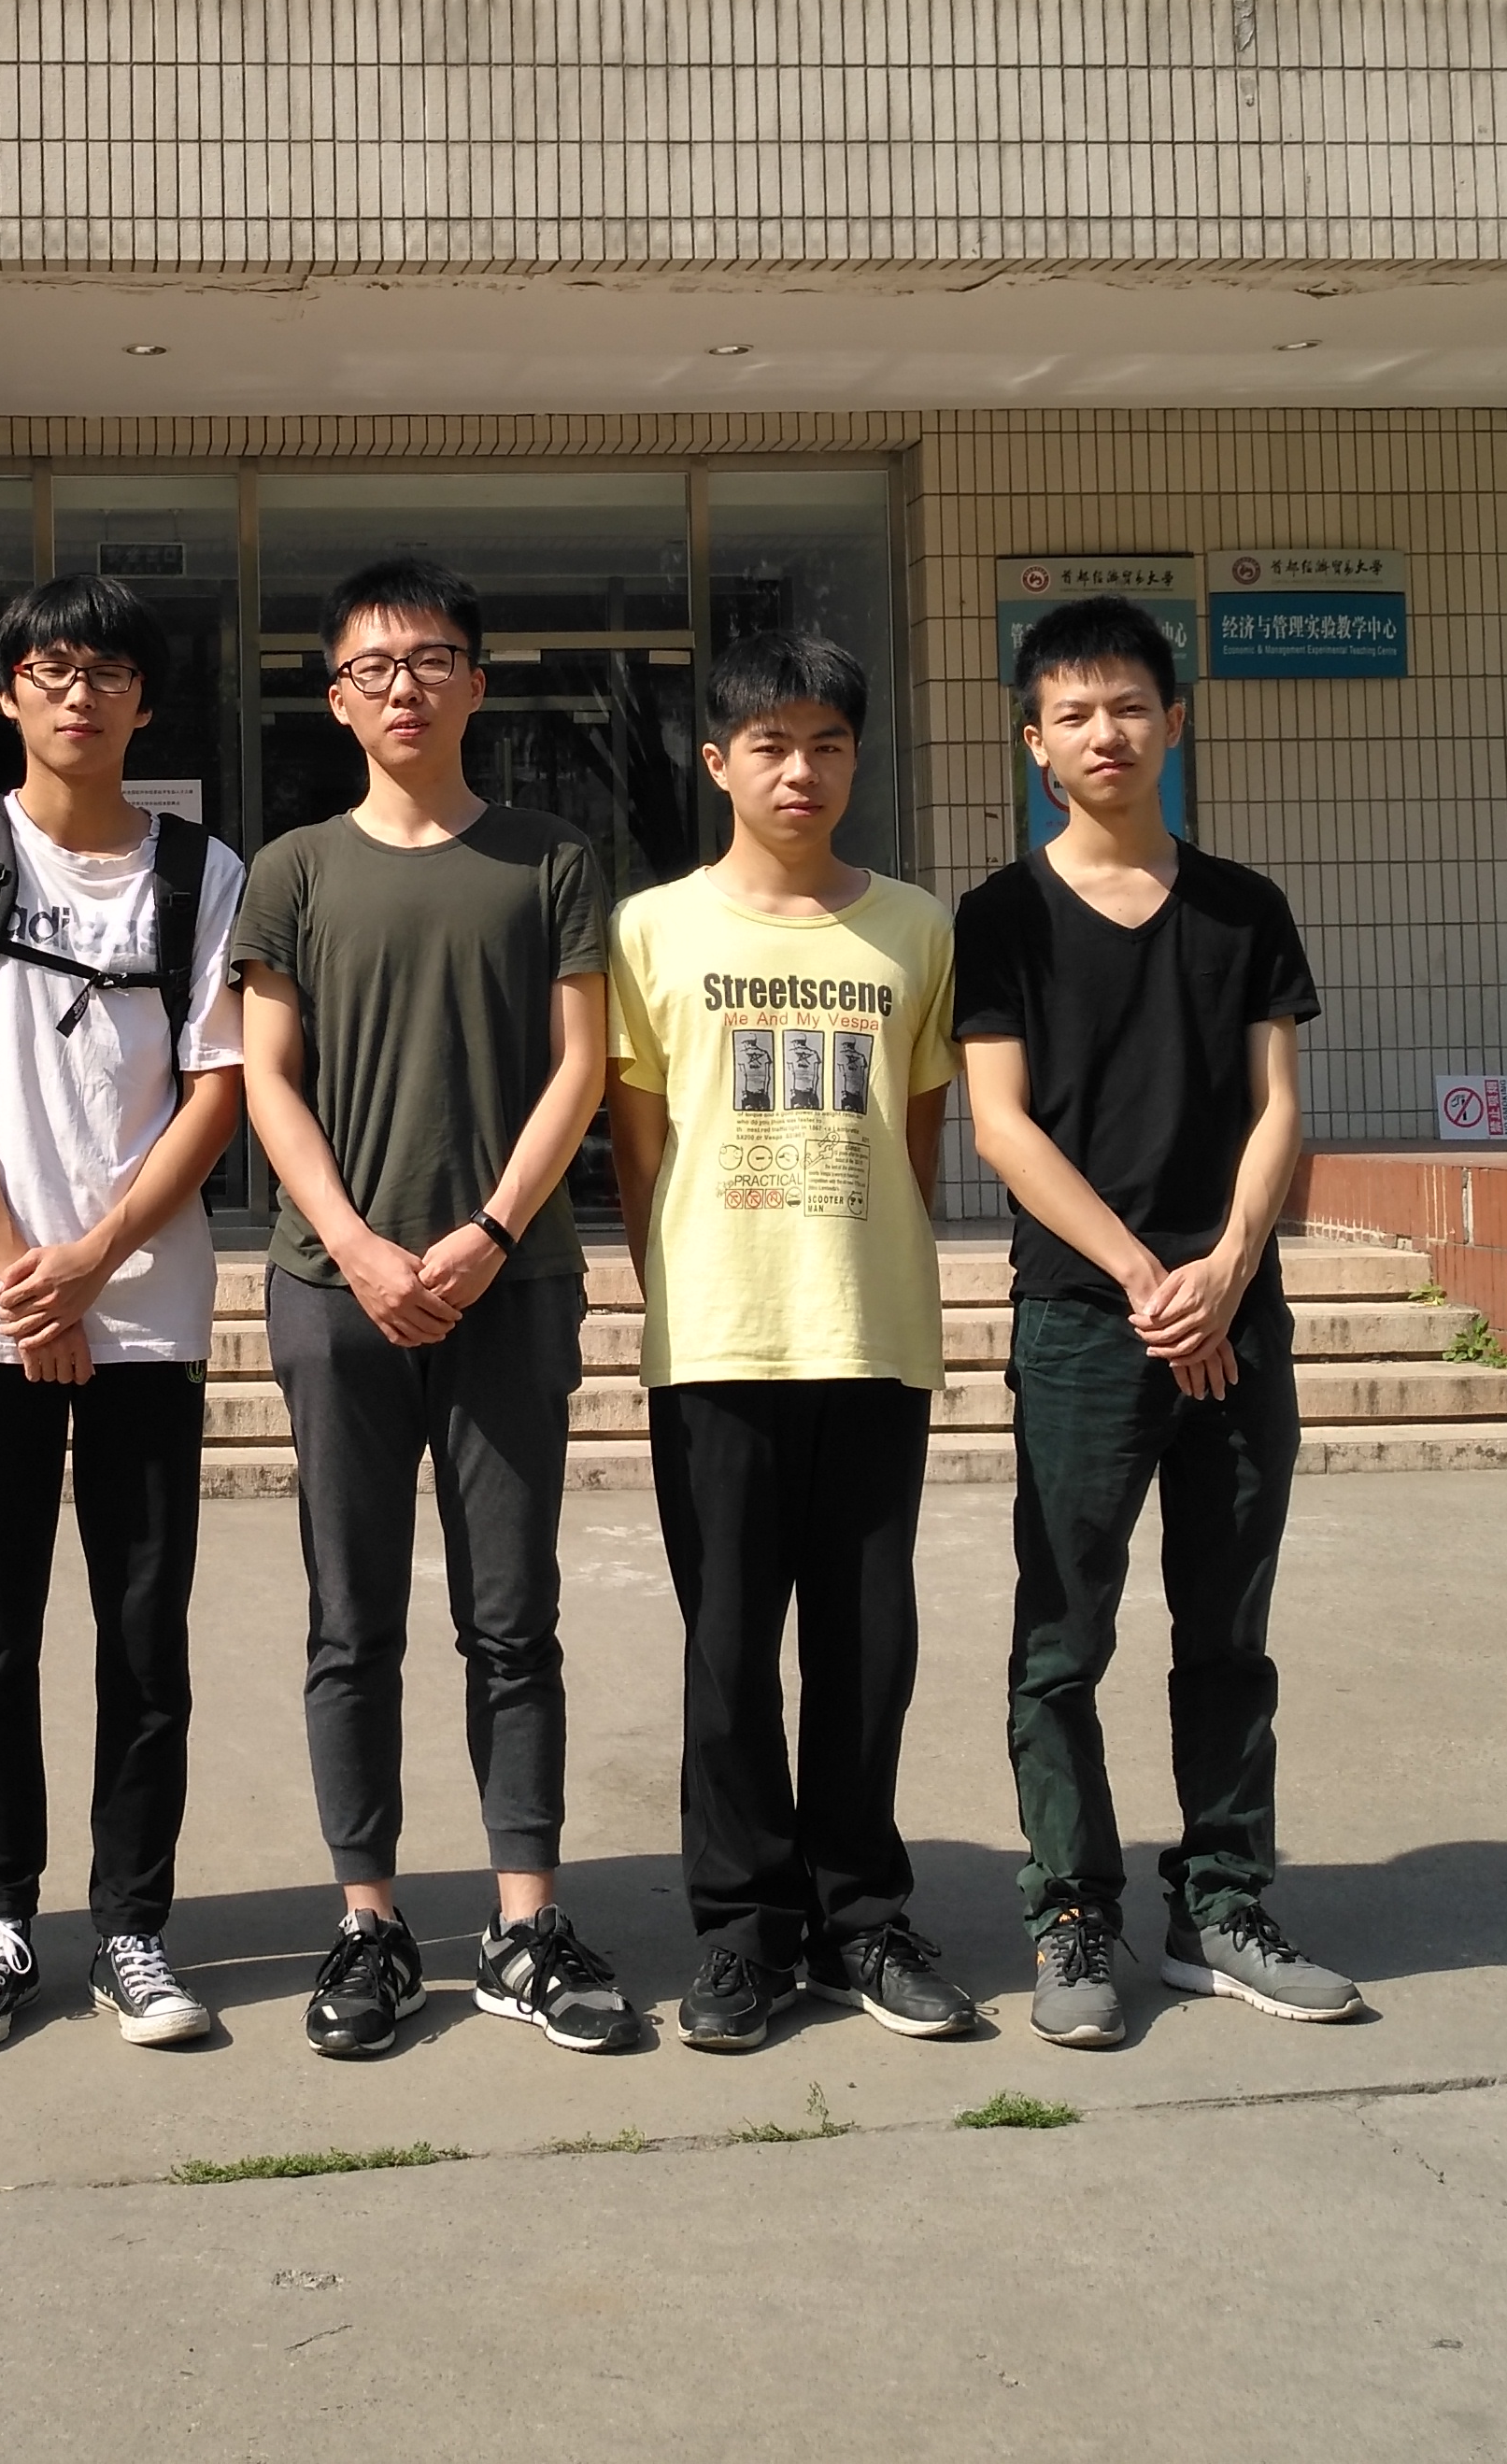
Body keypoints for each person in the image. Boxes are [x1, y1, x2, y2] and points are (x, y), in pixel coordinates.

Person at [232, 552, 642, 2060]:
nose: (401, 686)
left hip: (510, 1286)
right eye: (371, 667)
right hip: (332, 1294)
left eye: (428, 660)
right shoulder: (292, 869)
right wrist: (356, 1245)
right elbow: (267, 1077)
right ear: (336, 699)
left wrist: (484, 1232)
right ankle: (370, 1924)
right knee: (351, 1624)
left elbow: (580, 1067)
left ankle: (526, 1923)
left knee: (512, 1619)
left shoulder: (552, 858)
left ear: (476, 679)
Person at [953, 592, 1362, 2051]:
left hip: (1235, 1319)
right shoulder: (1000, 917)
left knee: (1227, 1629)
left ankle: (1222, 1906)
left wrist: (1230, 1266)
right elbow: (1001, 1126)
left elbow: (1278, 1107)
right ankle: (1071, 1910)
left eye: (1129, 705)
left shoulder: (1243, 908)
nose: (1104, 732)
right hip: (1084, 1322)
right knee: (1062, 1636)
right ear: (1034, 744)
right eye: (1072, 713)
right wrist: (1147, 1277)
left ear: (1174, 723)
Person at [0, 574, 249, 2052]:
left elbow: (220, 1091)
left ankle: (133, 1925)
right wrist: (31, 1274)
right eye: (52, 669)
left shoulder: (203, 871)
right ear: (9, 692)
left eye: (109, 672)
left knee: (145, 1636)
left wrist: (96, 1262)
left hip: (145, 1313)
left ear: (146, 701)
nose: (80, 694)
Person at [604, 630, 975, 2055]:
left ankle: (862, 1918)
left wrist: (864, 1262)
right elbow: (640, 1149)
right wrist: (690, 1281)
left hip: (871, 1331)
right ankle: (743, 1934)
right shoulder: (652, 931)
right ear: (717, 763)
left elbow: (917, 1135)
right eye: (768, 744)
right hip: (719, 1339)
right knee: (730, 1651)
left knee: (868, 1646)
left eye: (826, 743)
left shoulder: (916, 930)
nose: (799, 769)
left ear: (856, 759)